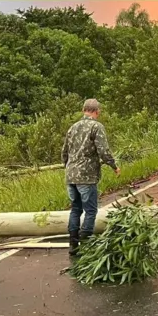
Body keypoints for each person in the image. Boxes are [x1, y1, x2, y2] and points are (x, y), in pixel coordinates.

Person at [61, 99, 120, 257]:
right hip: (86, 176)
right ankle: (86, 243)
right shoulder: (96, 126)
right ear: (97, 111)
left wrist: (67, 168)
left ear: (83, 110)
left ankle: (73, 244)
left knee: (75, 209)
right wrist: (114, 165)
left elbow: (64, 152)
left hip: (71, 175)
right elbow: (103, 151)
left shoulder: (72, 128)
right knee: (91, 210)